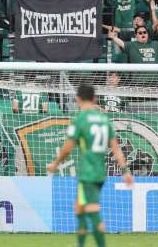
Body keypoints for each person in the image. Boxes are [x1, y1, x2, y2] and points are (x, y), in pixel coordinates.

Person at [47, 84, 133, 247]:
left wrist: (55, 163)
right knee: (79, 208)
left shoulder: (80, 119)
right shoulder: (104, 120)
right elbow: (116, 150)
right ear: (94, 99)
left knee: (92, 211)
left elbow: (67, 148)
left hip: (88, 173)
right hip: (100, 172)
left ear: (77, 99)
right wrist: (125, 171)